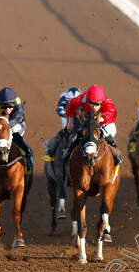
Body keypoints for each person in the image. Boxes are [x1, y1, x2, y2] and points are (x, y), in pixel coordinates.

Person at [62, 85, 123, 165]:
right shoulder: (83, 98)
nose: (94, 107)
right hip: (90, 122)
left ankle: (117, 154)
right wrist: (70, 121)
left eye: (97, 104)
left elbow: (111, 113)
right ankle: (69, 151)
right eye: (91, 104)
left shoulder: (108, 102)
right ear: (87, 100)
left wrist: (101, 119)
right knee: (81, 133)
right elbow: (72, 103)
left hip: (105, 123)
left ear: (102, 101)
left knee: (106, 132)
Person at [46, 87, 82, 219]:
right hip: (67, 126)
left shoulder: (82, 100)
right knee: (58, 137)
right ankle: (51, 152)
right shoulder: (63, 98)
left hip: (79, 128)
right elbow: (59, 109)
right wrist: (67, 113)